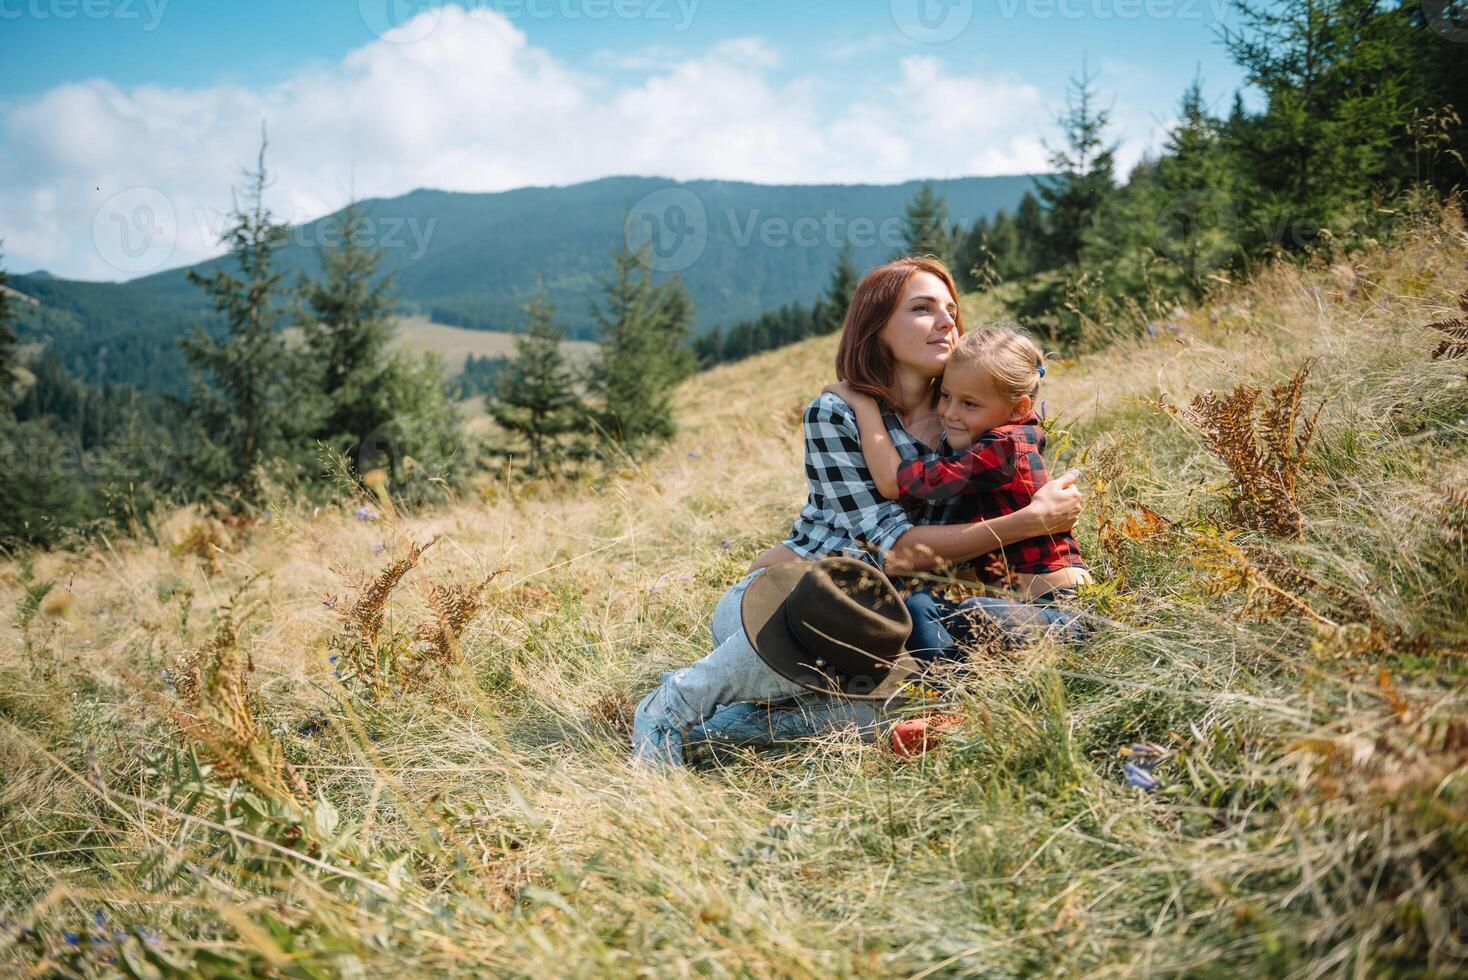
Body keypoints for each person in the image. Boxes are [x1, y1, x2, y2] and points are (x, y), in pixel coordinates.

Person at [633, 257, 1083, 765]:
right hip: (801, 607)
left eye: (952, 311)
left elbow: (1021, 462)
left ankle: (709, 737)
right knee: (847, 617)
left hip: (895, 620)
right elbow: (898, 553)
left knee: (907, 710)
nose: (946, 323)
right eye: (921, 308)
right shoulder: (837, 412)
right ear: (876, 329)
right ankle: (672, 704)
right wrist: (1030, 522)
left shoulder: (968, 409)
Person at [825, 327, 1092, 660]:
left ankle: (955, 674)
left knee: (975, 613)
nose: (949, 413)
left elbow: (899, 481)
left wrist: (864, 407)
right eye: (945, 396)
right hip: (1011, 604)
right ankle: (946, 682)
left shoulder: (1004, 448)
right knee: (917, 605)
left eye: (969, 403)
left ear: (1017, 407)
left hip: (1060, 608)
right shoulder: (990, 441)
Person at [631, 557, 921, 767]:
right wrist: (663, 788)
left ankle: (726, 701)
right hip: (759, 621)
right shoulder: (755, 655)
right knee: (709, 729)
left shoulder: (874, 662)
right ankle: (716, 690)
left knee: (861, 725)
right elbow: (664, 708)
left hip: (843, 671)